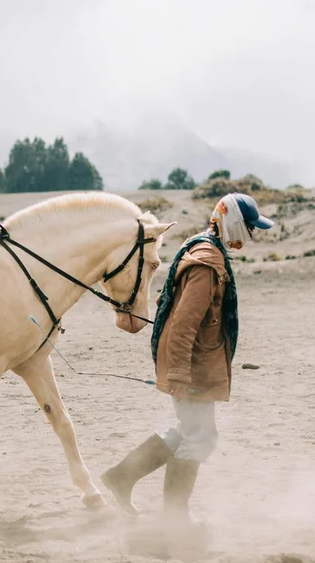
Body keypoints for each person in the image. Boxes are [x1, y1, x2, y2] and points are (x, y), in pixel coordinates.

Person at [100, 192, 274, 528]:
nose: (251, 235)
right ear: (234, 223)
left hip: (194, 363)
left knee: (191, 431)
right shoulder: (208, 263)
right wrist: (179, 374)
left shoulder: (206, 250)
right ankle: (175, 519)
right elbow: (183, 323)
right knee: (200, 436)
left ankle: (121, 477)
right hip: (191, 366)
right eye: (249, 227)